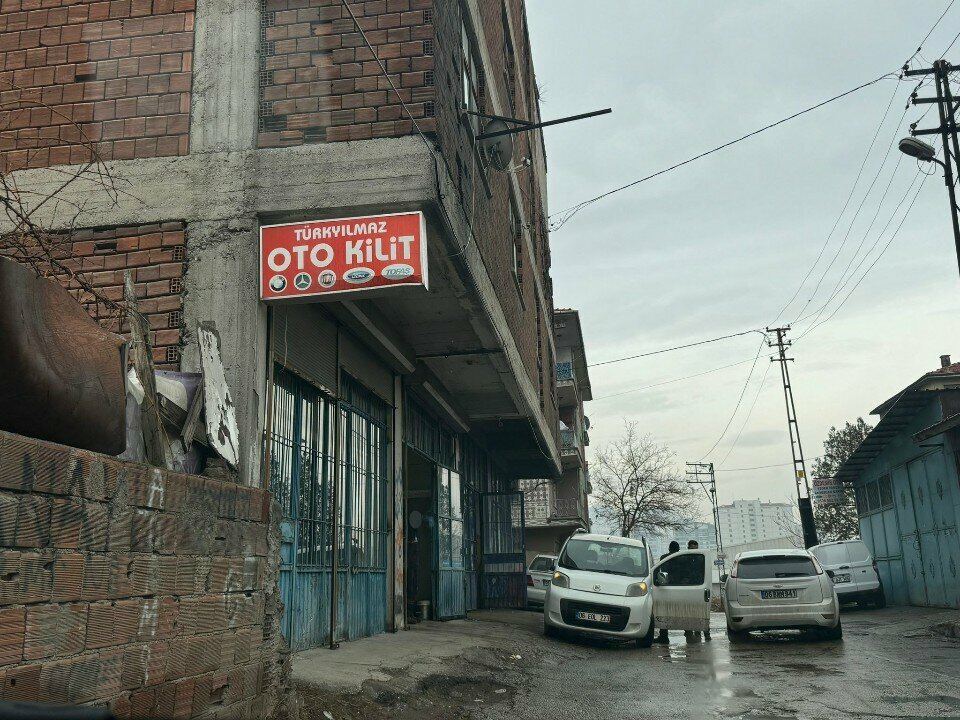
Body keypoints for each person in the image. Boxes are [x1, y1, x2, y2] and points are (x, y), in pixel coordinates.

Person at [654, 541, 681, 643]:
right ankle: (689, 633)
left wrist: (656, 580)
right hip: (681, 587)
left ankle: (664, 635)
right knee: (682, 610)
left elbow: (657, 571)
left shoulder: (664, 557)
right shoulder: (682, 558)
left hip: (666, 587)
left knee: (664, 612)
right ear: (678, 549)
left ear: (669, 548)